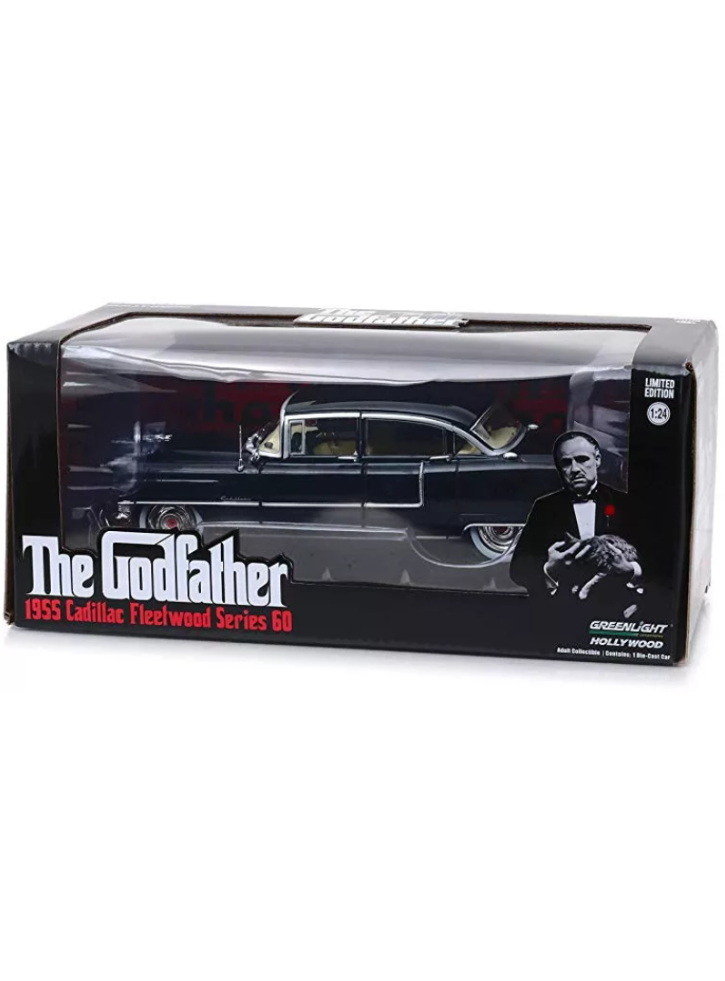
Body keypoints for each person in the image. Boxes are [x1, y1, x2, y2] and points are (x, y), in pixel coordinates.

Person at [510, 431, 642, 604]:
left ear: (597, 460)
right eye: (566, 463)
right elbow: (518, 569)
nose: (574, 469)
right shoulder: (544, 507)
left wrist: (631, 570)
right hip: (562, 609)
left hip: (618, 608)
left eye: (582, 459)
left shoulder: (627, 504)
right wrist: (549, 570)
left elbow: (659, 563)